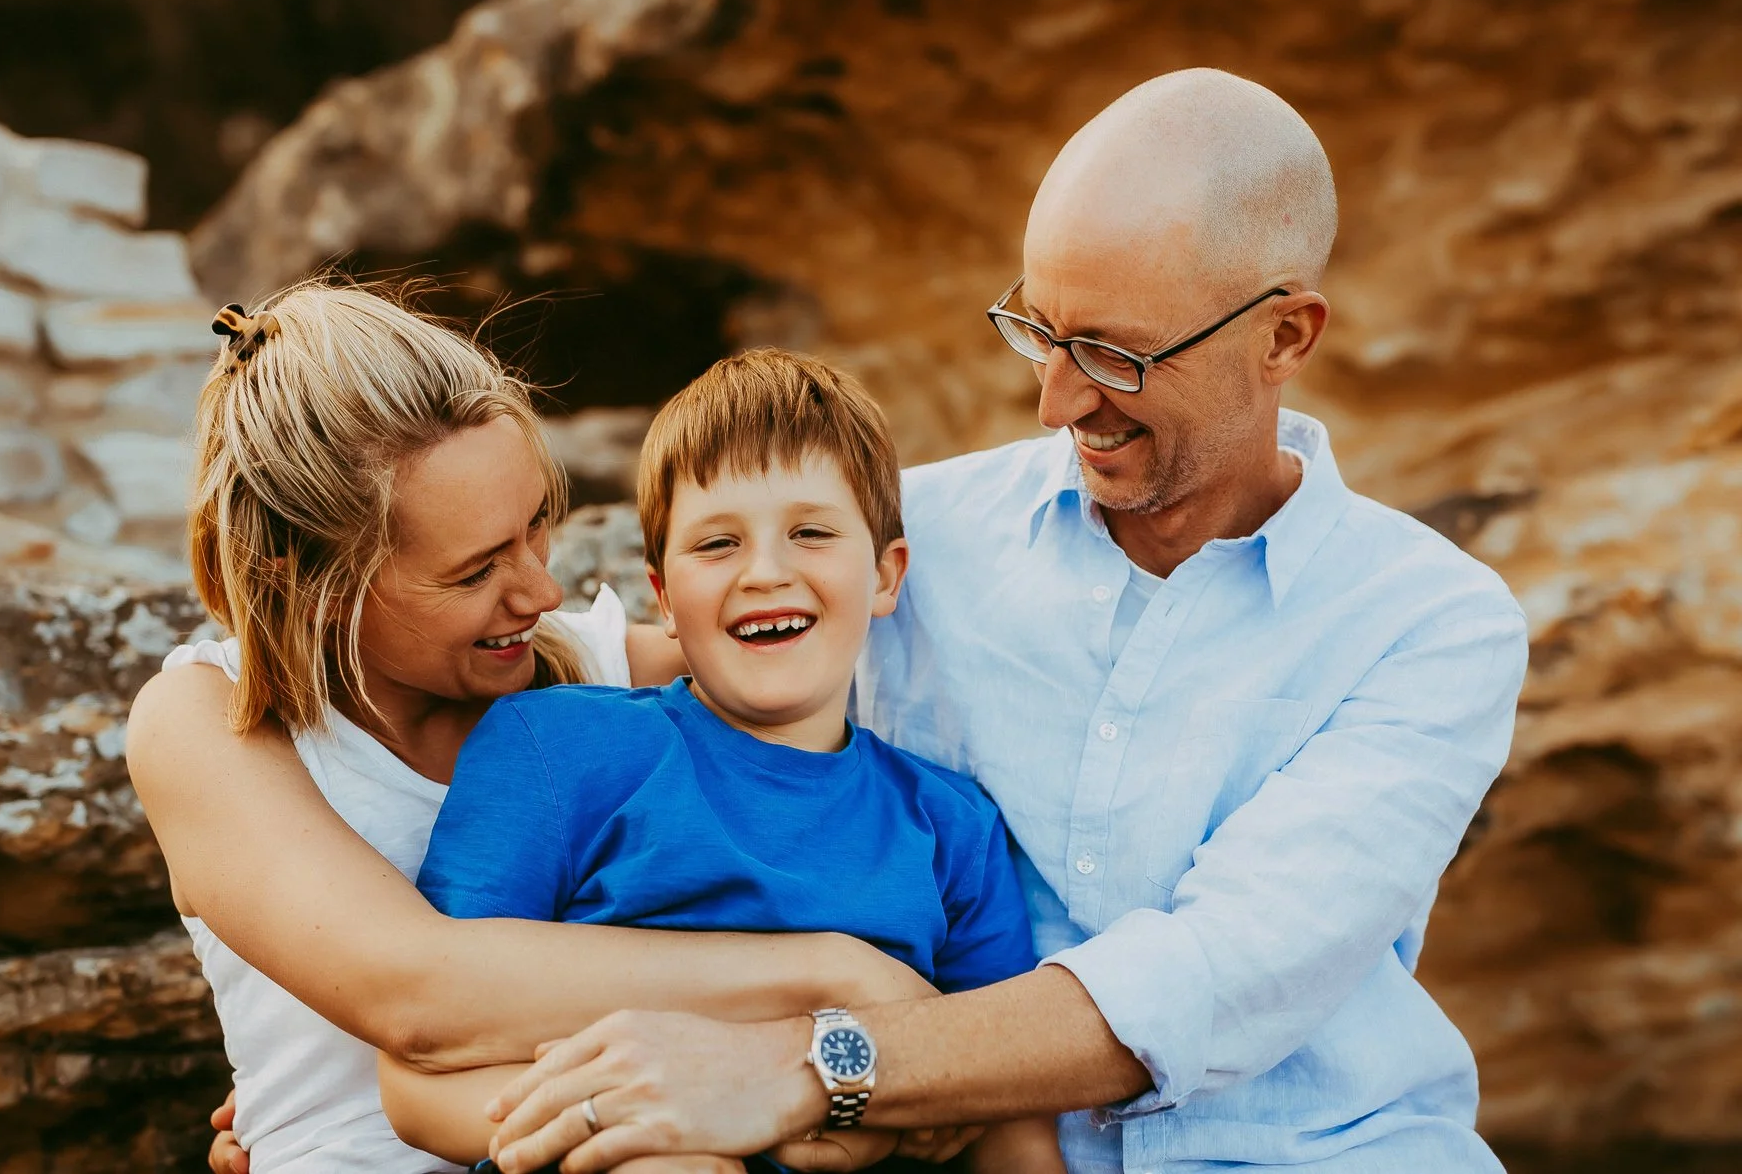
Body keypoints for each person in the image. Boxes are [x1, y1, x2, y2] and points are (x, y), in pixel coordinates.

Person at [471, 68, 1533, 1174]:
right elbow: (647, 664)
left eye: (1117, 355)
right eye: (1038, 331)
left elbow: (1213, 974)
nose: (1057, 402)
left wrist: (804, 1068)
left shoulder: (1430, 624)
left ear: (1283, 335)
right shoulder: (899, 539)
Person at [126, 282, 938, 1174]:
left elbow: (829, 639)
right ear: (306, 577)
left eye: (535, 528)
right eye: (475, 572)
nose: (541, 593)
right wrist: (833, 978)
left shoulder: (611, 679)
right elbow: (417, 995)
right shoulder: (207, 720)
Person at [381, 350, 1064, 1172]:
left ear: (886, 574)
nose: (767, 571)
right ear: (662, 596)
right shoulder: (556, 750)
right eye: (717, 543)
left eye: (810, 532)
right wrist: (654, 1126)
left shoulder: (952, 826)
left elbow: (1010, 1124)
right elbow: (428, 1068)